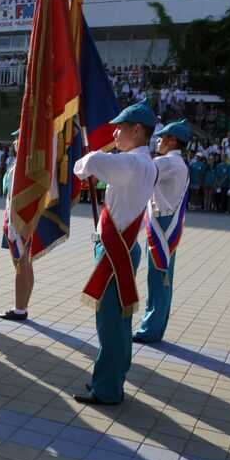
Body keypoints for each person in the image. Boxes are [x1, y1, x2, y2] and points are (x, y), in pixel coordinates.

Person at [72, 102, 158, 405]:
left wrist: (87, 166)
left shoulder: (131, 163)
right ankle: (113, 375)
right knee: (119, 319)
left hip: (113, 249)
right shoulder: (146, 163)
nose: (115, 132)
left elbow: (88, 161)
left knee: (109, 321)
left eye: (121, 127)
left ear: (138, 130)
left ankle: (107, 388)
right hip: (122, 245)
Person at [133, 119, 191, 345]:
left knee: (158, 276)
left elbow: (141, 171)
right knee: (162, 275)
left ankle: (150, 329)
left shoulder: (167, 163)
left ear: (172, 140)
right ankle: (155, 326)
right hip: (165, 219)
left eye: (161, 138)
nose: (157, 141)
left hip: (162, 221)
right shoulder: (178, 163)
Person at [0, 129, 33, 322]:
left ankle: (20, 308)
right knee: (26, 264)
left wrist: (13, 227)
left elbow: (16, 198)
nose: (14, 142)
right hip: (22, 220)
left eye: (17, 139)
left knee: (21, 264)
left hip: (18, 222)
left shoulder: (23, 165)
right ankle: (23, 304)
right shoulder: (29, 163)